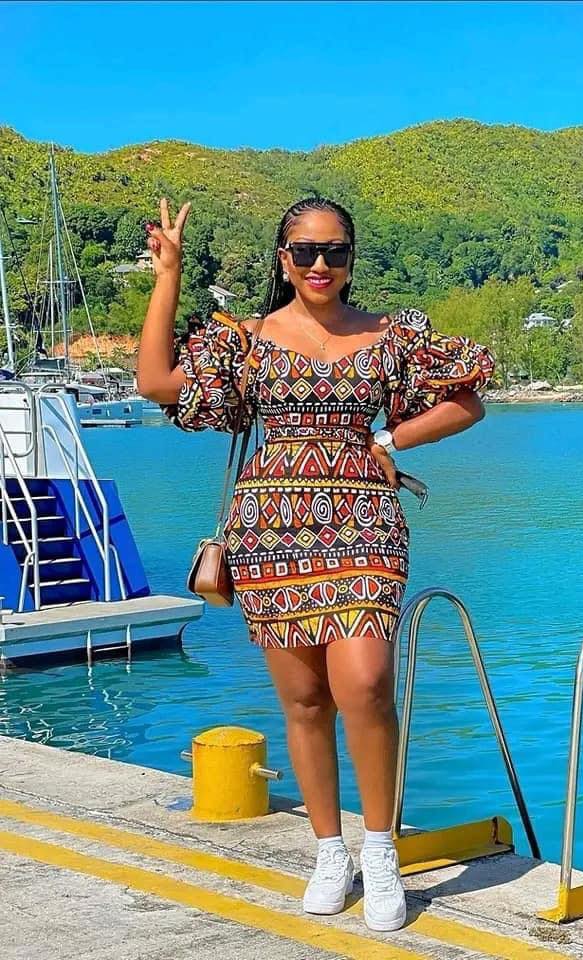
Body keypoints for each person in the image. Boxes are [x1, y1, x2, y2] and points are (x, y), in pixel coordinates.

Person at [137, 196, 496, 932]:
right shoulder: (246, 341)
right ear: (284, 259)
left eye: (334, 251)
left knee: (365, 684)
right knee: (304, 700)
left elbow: (468, 402)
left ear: (352, 259)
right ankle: (330, 850)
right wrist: (167, 274)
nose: (320, 264)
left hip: (364, 524)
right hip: (272, 531)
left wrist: (393, 440)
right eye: (305, 251)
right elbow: (156, 383)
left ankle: (381, 848)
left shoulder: (392, 337)